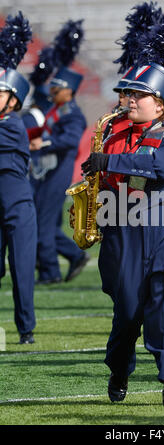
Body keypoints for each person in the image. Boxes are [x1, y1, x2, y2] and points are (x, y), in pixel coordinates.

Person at [81, 0, 164, 405]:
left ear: (161, 104)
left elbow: (161, 165)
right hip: (123, 231)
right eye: (127, 93)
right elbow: (108, 179)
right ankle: (119, 370)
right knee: (128, 310)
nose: (129, 100)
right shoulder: (112, 132)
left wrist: (109, 160)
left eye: (139, 94)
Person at [28, 66, 88, 284]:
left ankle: (49, 271)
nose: (52, 91)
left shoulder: (73, 114)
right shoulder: (57, 110)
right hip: (47, 169)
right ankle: (74, 255)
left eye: (57, 88)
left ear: (69, 91)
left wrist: (42, 143)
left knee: (43, 222)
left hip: (59, 171)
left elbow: (70, 141)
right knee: (45, 222)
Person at [0, 12, 37, 344]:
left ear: (13, 99)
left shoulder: (14, 126)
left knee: (22, 269)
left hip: (18, 205)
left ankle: (26, 328)